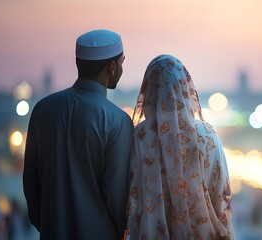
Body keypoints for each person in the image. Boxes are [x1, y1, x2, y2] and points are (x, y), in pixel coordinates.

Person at [23, 29, 134, 239]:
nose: (121, 68)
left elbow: (31, 180)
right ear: (112, 67)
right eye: (121, 62)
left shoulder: (43, 109)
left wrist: (50, 224)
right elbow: (118, 197)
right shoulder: (116, 121)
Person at [126, 54, 234, 239]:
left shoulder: (138, 136)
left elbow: (130, 195)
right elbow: (222, 195)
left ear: (149, 89)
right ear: (185, 87)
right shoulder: (208, 136)